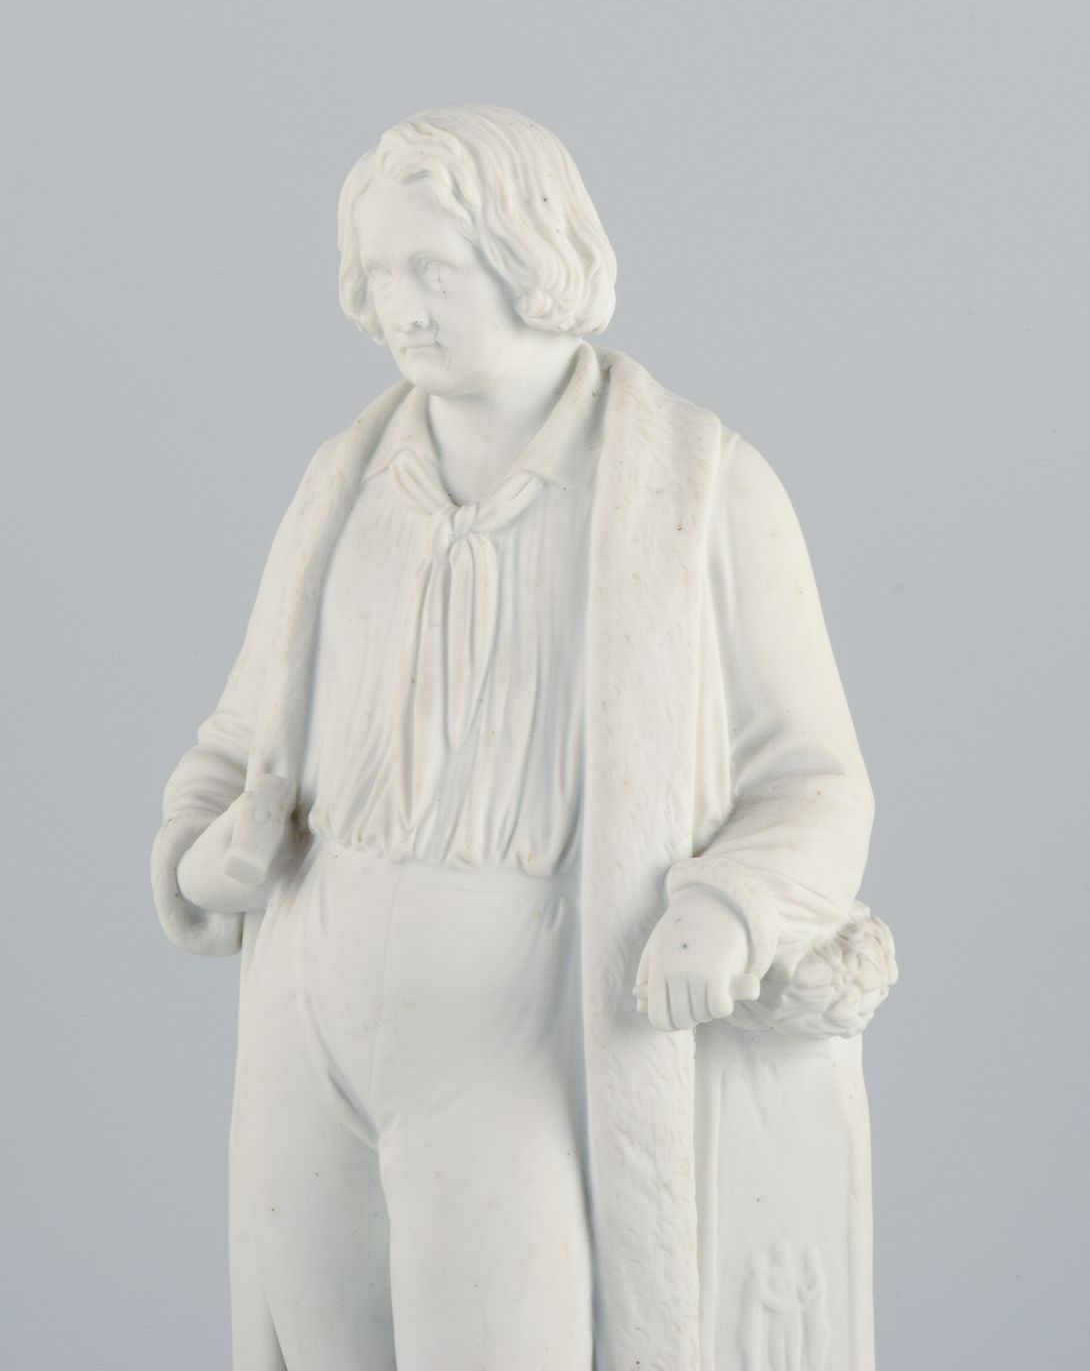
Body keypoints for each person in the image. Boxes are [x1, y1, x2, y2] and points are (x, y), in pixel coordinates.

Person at [152, 105, 894, 1371]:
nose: (399, 307)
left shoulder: (700, 493)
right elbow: (241, 730)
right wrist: (195, 849)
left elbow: (815, 782)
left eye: (432, 270)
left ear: (532, 254)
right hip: (306, 1010)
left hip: (521, 1019)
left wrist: (729, 908)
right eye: (378, 272)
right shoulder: (342, 484)